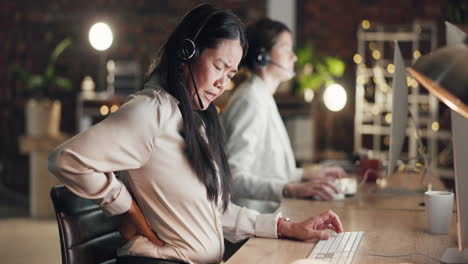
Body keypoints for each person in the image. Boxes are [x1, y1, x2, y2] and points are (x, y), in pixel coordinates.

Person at [48, 5, 343, 264]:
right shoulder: (151, 111)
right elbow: (67, 160)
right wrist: (125, 208)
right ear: (186, 53)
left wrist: (286, 227)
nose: (222, 84)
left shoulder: (196, 118)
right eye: (218, 66)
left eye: (230, 74)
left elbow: (214, 211)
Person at [222, 18, 348, 213]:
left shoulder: (261, 96)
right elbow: (234, 178)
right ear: (262, 56)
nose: (294, 57)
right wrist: (292, 189)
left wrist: (308, 175)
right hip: (247, 230)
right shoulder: (250, 101)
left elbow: (268, 171)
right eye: (286, 48)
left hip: (264, 220)